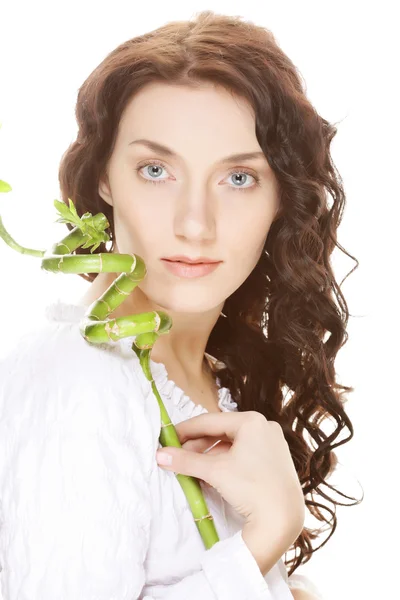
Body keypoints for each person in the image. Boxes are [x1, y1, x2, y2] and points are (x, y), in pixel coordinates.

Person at [0, 10, 361, 600]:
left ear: (281, 197)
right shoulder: (79, 384)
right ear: (105, 179)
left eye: (238, 178)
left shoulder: (206, 372)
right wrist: (262, 541)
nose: (194, 224)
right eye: (156, 170)